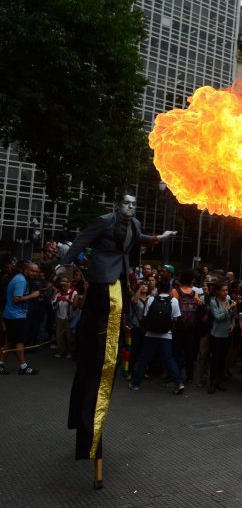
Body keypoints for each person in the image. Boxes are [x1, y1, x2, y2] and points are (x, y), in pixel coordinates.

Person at [59, 191, 175, 487]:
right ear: (116, 205)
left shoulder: (134, 225)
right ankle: (103, 333)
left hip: (119, 276)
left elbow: (144, 238)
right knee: (106, 313)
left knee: (120, 310)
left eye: (135, 204)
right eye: (126, 203)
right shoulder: (103, 221)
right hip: (102, 277)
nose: (131, 208)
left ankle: (116, 332)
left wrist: (160, 237)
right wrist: (66, 262)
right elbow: (82, 240)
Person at [128, 278, 184, 395]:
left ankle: (135, 384)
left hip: (150, 334)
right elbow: (176, 318)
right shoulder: (173, 301)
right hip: (166, 335)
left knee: (144, 358)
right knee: (169, 359)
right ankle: (179, 383)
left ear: (157, 288)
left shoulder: (151, 299)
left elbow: (145, 316)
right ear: (169, 289)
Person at [0, 261, 41, 375]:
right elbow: (16, 299)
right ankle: (23, 367)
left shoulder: (20, 278)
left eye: (36, 272)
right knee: (19, 342)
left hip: (12, 314)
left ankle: (0, 363)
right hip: (15, 315)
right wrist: (32, 296)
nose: (34, 274)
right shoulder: (21, 280)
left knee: (10, 342)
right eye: (32, 271)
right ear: (26, 270)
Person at [207, 281, 235, 394]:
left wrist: (233, 325)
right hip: (216, 334)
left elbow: (233, 316)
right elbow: (218, 317)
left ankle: (219, 380)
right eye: (223, 290)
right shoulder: (214, 302)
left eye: (226, 290)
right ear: (218, 291)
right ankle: (212, 381)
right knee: (215, 359)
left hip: (226, 334)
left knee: (222, 358)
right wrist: (228, 309)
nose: (225, 292)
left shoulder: (229, 300)